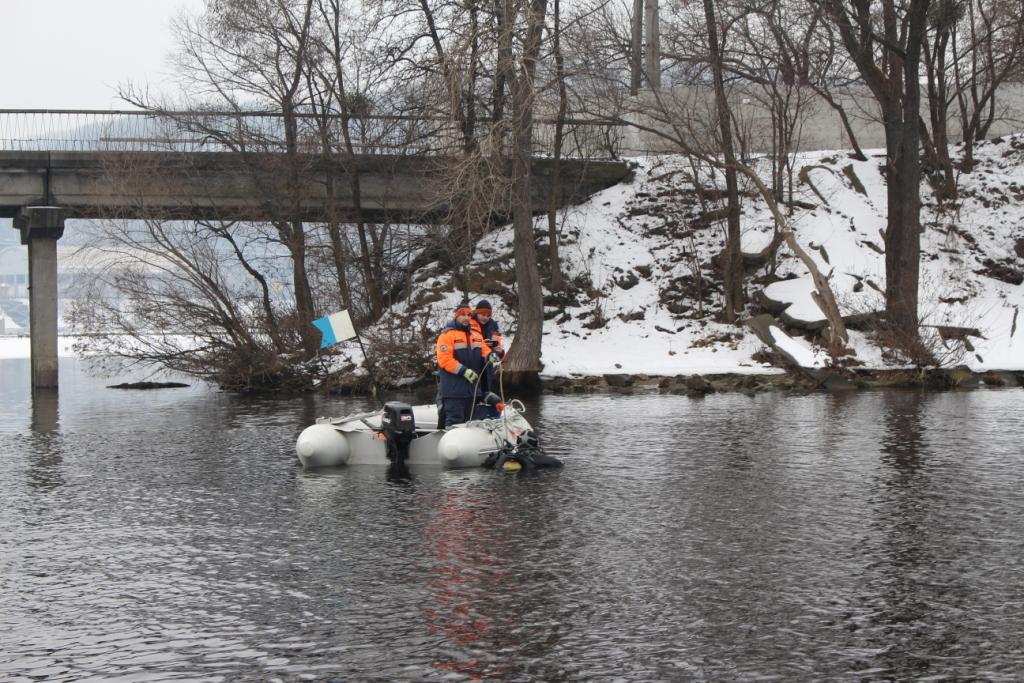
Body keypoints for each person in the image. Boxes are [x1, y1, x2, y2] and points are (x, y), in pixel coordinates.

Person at [435, 302, 490, 428]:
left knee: (470, 424)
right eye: (463, 315)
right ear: (456, 316)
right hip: (453, 392)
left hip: (472, 391)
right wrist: (464, 371)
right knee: (454, 422)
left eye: (469, 315)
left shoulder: (476, 335)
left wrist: (490, 355)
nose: (466, 318)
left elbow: (484, 349)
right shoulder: (446, 335)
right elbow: (444, 359)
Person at [470, 299, 504, 416]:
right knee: (474, 387)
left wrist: (499, 351)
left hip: (487, 362)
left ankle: (483, 412)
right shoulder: (469, 323)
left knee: (486, 387)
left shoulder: (493, 326)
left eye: (488, 315)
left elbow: (497, 344)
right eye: (482, 315)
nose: (485, 318)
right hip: (473, 361)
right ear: (476, 313)